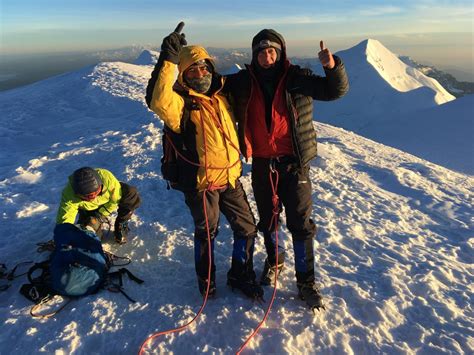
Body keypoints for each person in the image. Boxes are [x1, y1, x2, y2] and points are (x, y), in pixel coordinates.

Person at [224, 29, 349, 310]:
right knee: (268, 220)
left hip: (294, 164)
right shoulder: (244, 81)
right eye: (261, 52)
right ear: (254, 55)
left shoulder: (298, 78)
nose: (267, 57)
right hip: (262, 164)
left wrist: (332, 67)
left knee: (300, 224)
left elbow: (335, 90)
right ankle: (275, 261)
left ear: (280, 54)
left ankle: (306, 281)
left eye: (272, 52)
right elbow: (211, 84)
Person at [146, 27, 263, 299]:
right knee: (207, 233)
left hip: (230, 178)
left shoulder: (222, 97)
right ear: (184, 76)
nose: (200, 74)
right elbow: (158, 100)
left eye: (203, 68)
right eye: (192, 71)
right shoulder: (181, 105)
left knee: (246, 228)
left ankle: (240, 273)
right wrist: (168, 58)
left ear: (211, 68)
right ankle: (206, 280)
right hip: (201, 184)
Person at [56, 167, 141, 244]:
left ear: (100, 185)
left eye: (96, 193)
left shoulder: (107, 179)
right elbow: (65, 217)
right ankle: (90, 222)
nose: (92, 198)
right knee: (88, 235)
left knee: (130, 193)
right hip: (88, 209)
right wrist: (64, 235)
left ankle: (122, 223)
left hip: (106, 202)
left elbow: (115, 200)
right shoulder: (69, 195)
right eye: (88, 196)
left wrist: (101, 214)